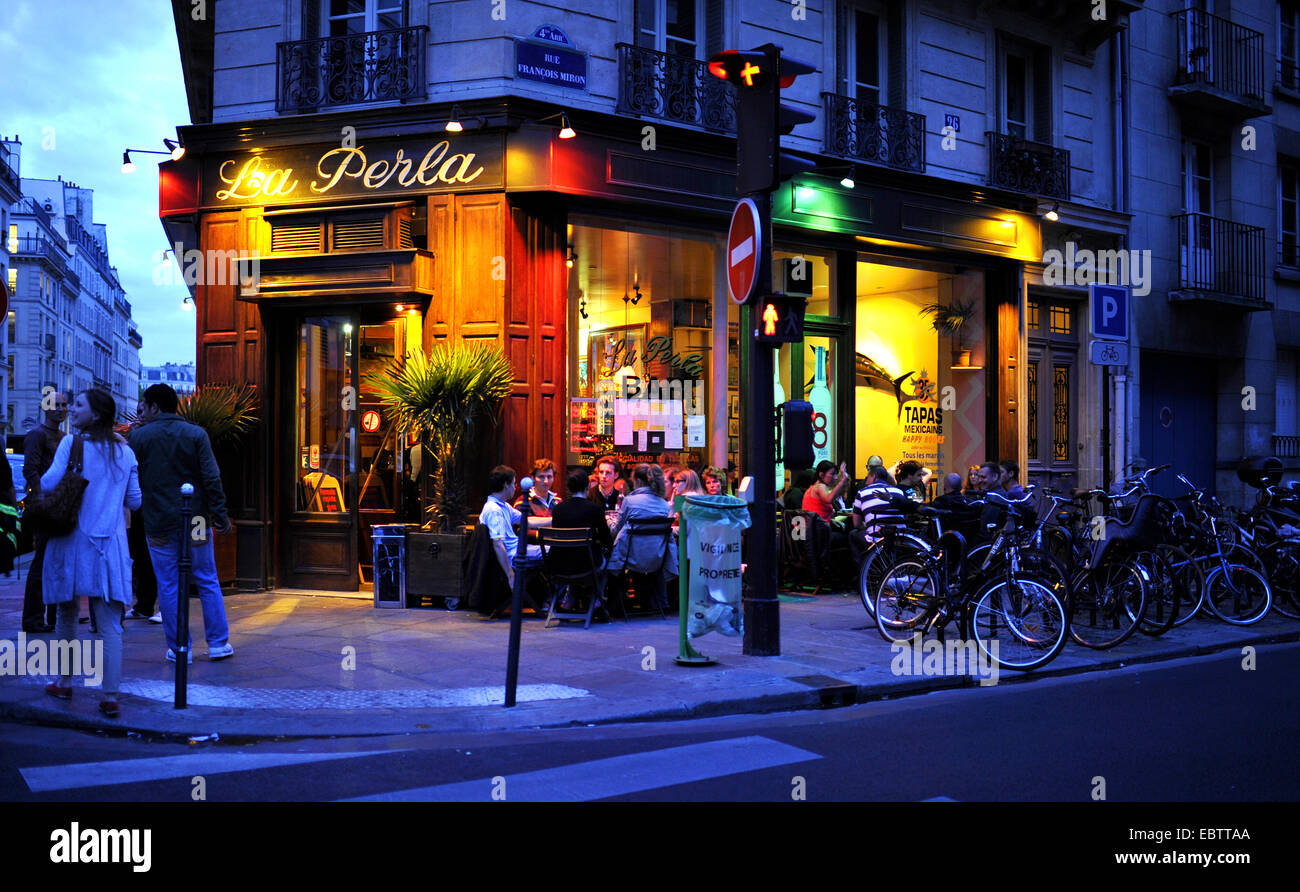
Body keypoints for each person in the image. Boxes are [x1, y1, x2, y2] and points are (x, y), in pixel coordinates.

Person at [40, 390, 141, 719]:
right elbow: (135, 501)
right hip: (108, 548)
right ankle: (110, 696)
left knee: (66, 615)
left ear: (95, 414)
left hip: (70, 542)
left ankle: (64, 681)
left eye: (79, 405)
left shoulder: (72, 444)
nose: (73, 409)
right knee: (110, 624)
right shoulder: (125, 452)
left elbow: (49, 482)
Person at [131, 383, 234, 663]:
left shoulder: (139, 438)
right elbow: (212, 479)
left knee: (168, 582)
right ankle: (217, 643)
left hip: (158, 520)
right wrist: (220, 516)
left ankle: (180, 648)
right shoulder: (195, 434)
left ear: (153, 407)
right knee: (206, 577)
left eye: (145, 405)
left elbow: (131, 481)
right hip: (198, 518)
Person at [21, 391, 67, 633]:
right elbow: (30, 470)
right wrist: (39, 498)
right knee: (41, 563)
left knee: (55, 561)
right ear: (45, 409)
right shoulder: (37, 435)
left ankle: (51, 616)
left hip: (59, 505)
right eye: (55, 405)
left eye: (64, 404)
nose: (60, 409)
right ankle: (33, 618)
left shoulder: (63, 436)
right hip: (45, 507)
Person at [607, 463, 677, 607]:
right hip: (656, 558)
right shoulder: (663, 504)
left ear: (637, 481)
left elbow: (617, 529)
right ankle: (656, 603)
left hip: (630, 558)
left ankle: (616, 605)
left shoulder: (630, 501)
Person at [549, 469, 614, 610]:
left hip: (560, 565)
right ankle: (597, 596)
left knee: (575, 555)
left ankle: (571, 597)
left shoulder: (558, 509)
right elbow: (607, 540)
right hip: (587, 566)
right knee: (608, 558)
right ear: (587, 487)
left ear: (569, 488)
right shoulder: (594, 509)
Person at [125, 398, 159, 622]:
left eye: (143, 410)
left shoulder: (157, 436)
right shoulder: (135, 438)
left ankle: (161, 607)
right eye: (138, 411)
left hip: (156, 504)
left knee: (158, 557)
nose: (140, 414)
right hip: (140, 504)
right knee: (140, 555)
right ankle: (144, 605)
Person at [849, 464, 909, 567]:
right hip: (899, 537)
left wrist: (867, 526)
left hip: (877, 538)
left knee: (853, 534)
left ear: (873, 476)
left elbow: (856, 524)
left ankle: (862, 571)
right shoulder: (898, 491)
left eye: (867, 477)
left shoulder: (862, 492)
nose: (866, 481)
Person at [480, 464, 523, 592]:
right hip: (515, 555)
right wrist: (510, 575)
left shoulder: (504, 506)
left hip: (518, 550)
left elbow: (525, 521)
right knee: (555, 552)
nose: (516, 487)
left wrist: (553, 519)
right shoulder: (494, 510)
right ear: (506, 485)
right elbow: (498, 544)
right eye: (514, 484)